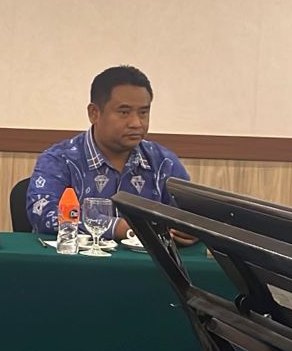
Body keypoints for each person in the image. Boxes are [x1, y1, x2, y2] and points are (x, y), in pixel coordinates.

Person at [26, 65, 190, 239]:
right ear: (94, 113)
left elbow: (189, 215)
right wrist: (120, 229)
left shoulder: (164, 163)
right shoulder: (59, 160)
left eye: (143, 112)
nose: (136, 123)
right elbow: (44, 214)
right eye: (124, 112)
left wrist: (188, 231)